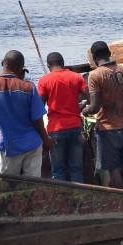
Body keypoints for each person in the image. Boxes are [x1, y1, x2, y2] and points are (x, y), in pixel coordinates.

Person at [83, 40, 123, 191]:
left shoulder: (94, 76)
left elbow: (94, 107)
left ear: (94, 58)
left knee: (114, 170)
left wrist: (84, 110)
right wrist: (120, 99)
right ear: (109, 54)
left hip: (107, 129)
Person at [36, 52, 88, 182]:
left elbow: (39, 107)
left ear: (48, 65)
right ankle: (78, 199)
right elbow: (91, 98)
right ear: (63, 63)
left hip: (56, 129)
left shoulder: (44, 80)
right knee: (76, 169)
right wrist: (80, 108)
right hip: (75, 126)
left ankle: (61, 201)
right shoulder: (76, 77)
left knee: (58, 171)